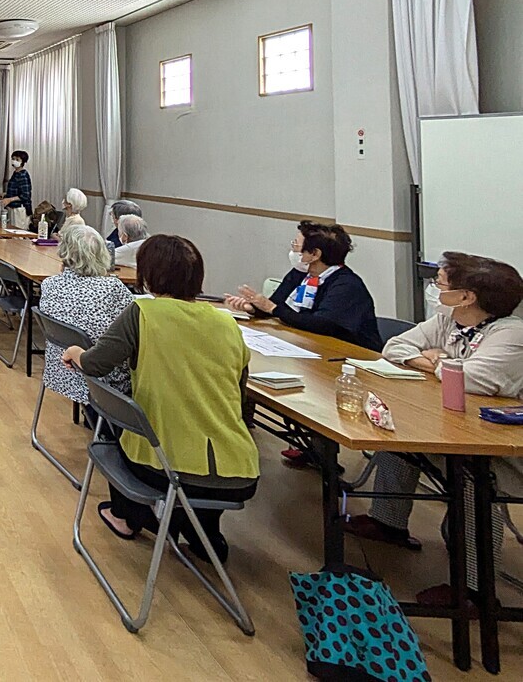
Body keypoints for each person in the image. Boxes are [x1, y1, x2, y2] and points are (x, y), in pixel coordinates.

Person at [62, 234, 259, 565]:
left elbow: (96, 364)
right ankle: (202, 530)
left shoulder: (142, 312)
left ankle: (130, 516)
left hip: (163, 468)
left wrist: (75, 352)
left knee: (111, 421)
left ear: (148, 275)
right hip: (238, 471)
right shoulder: (227, 322)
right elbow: (239, 397)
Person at [344, 251, 523, 606]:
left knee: (472, 476)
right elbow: (394, 347)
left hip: (504, 447)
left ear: (466, 297)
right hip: (456, 423)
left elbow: (472, 378)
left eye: (440, 284)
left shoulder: (512, 334)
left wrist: (440, 360)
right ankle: (388, 522)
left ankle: (476, 591)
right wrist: (437, 361)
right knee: (397, 433)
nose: (434, 289)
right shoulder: (449, 320)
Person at [226, 221, 382, 353]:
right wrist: (255, 308)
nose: (293, 250)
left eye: (296, 245)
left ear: (315, 254)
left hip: (350, 354)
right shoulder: (300, 272)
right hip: (308, 344)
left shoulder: (346, 285)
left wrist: (272, 308)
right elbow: (278, 305)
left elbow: (320, 324)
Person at [40, 226, 135, 407]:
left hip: (61, 372)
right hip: (101, 378)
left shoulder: (49, 284)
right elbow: (135, 323)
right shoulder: (112, 288)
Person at [0, 150, 33, 218]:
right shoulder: (15, 173)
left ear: (23, 161)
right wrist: (5, 194)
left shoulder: (23, 175)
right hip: (13, 208)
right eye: (13, 159)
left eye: (17, 159)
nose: (14, 161)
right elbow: (17, 191)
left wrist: (9, 199)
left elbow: (25, 195)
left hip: (20, 209)